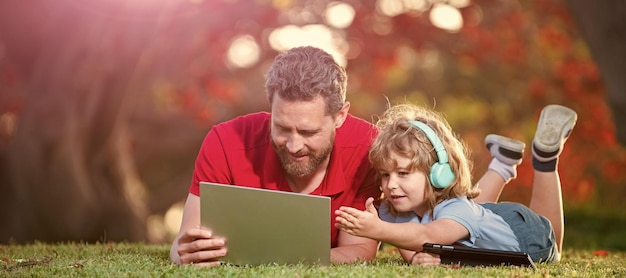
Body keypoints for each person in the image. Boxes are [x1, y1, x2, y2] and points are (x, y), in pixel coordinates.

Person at [169, 46, 519, 266]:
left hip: (473, 217)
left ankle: (507, 167)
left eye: (308, 132)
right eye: (282, 128)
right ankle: (501, 167)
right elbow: (185, 242)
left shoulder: (370, 149)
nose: (293, 145)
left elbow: (359, 252)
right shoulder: (225, 140)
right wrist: (185, 251)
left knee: (470, 212)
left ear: (340, 116)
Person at [335, 103, 577, 265]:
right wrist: (419, 259)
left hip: (524, 236)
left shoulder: (455, 209)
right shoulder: (394, 209)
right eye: (385, 175)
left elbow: (427, 235)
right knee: (472, 212)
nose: (391, 185)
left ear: (438, 173)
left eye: (403, 173)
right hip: (480, 216)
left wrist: (377, 229)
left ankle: (545, 160)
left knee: (552, 239)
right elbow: (412, 245)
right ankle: (503, 163)